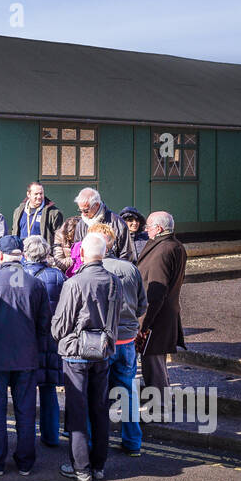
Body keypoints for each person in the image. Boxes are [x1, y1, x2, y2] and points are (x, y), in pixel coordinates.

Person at [0, 234, 49, 476]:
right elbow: (45, 324)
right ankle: (25, 462)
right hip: (26, 356)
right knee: (25, 410)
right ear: (21, 256)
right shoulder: (36, 283)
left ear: (1, 256)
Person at [51, 232, 120, 481]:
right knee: (100, 409)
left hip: (76, 353)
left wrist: (56, 332)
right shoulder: (115, 281)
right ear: (103, 254)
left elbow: (60, 325)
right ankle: (99, 465)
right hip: (102, 352)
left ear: (81, 254)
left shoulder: (74, 283)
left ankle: (81, 468)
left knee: (78, 410)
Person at [89, 222, 148, 456]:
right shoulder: (131, 269)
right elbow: (142, 305)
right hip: (126, 340)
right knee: (128, 392)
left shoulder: (91, 270)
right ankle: (133, 442)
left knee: (96, 394)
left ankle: (94, 442)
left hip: (100, 341)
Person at [22, 234, 65, 448]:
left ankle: (26, 437)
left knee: (26, 391)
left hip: (26, 341)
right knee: (48, 389)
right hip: (51, 339)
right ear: (46, 253)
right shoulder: (58, 276)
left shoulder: (19, 276)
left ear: (26, 253)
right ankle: (51, 436)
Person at [136, 210, 186, 392]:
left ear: (157, 228)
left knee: (154, 366)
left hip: (157, 318)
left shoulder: (162, 250)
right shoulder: (174, 245)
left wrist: (143, 325)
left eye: (148, 227)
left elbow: (156, 292)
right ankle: (159, 406)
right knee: (156, 364)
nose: (146, 230)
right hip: (165, 315)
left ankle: (159, 410)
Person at [70, 187, 136, 263]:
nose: (83, 214)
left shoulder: (117, 223)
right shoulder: (81, 224)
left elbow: (126, 254)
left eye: (86, 210)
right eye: (80, 210)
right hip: (88, 269)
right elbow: (77, 252)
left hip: (112, 271)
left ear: (97, 205)